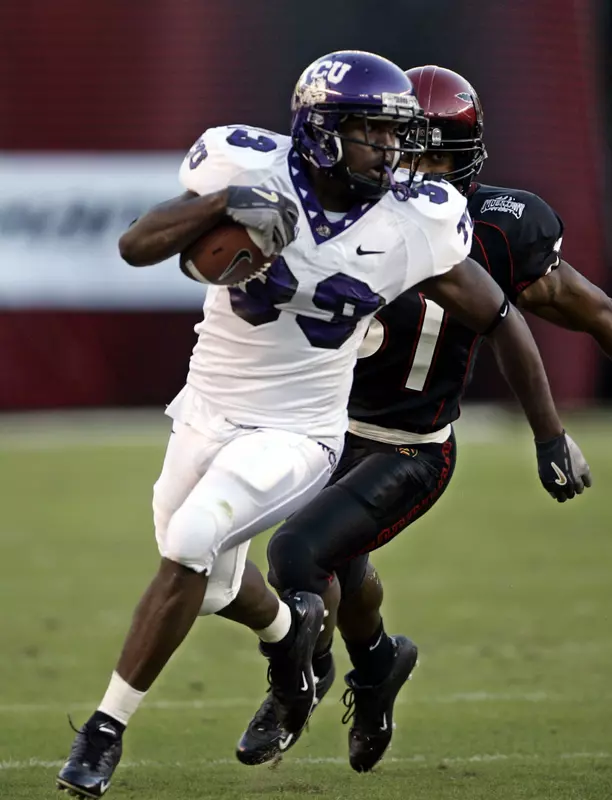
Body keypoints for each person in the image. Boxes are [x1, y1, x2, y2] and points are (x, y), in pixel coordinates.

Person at [58, 52, 583, 798]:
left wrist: (549, 434)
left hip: (310, 430)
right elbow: (136, 246)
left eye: (397, 133)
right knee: (206, 583)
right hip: (207, 407)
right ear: (324, 131)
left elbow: (501, 315)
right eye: (375, 131)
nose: (394, 151)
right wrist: (224, 206)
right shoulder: (246, 165)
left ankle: (104, 732)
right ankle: (295, 644)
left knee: (225, 548)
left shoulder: (418, 220)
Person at [236, 65, 602, 773]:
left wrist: (551, 436)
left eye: (440, 159)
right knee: (335, 573)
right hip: (327, 428)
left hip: (410, 446)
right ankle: (376, 668)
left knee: (298, 557)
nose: (421, 173)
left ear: (467, 161)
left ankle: (296, 686)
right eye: (411, 152)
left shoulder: (497, 227)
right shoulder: (343, 204)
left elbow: (583, 312)